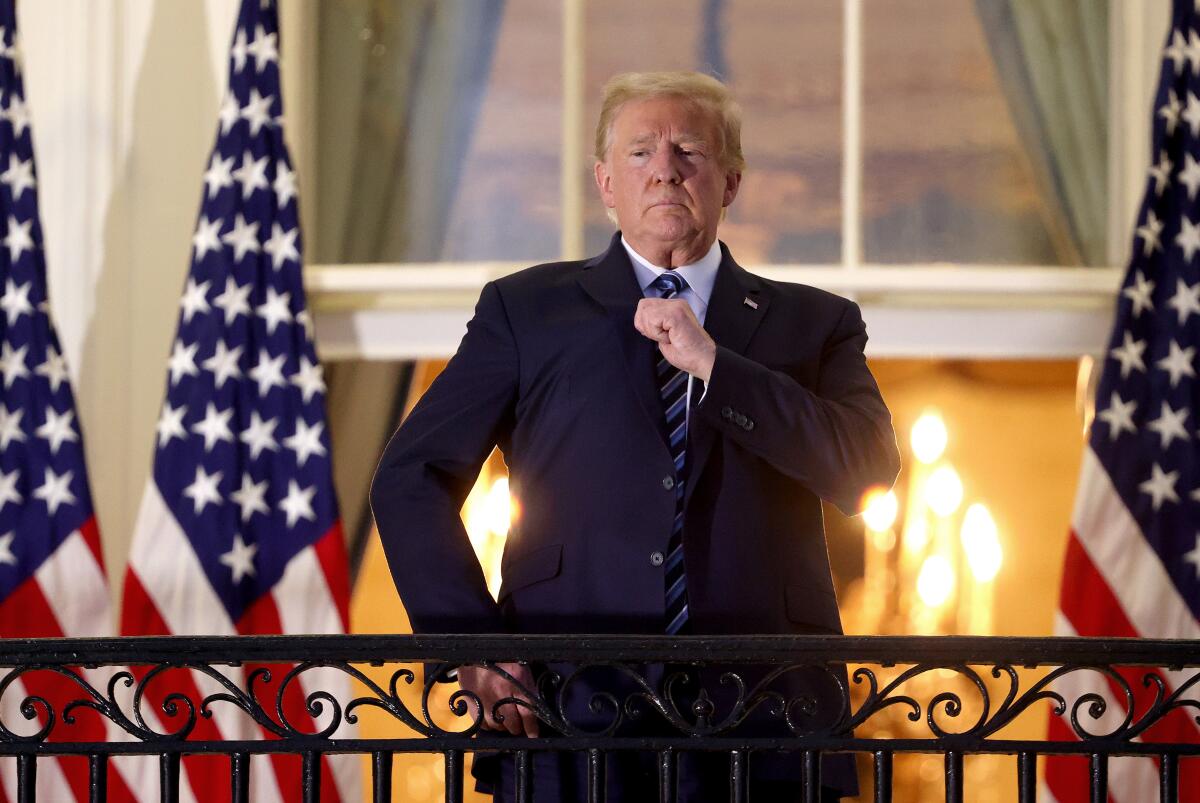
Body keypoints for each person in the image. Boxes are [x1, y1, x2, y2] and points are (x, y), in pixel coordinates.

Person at [371, 70, 901, 802]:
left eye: (690, 150)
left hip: (768, 716)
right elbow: (409, 477)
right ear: (605, 182)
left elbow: (866, 467)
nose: (666, 170)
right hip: (567, 710)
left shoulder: (814, 324)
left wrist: (716, 364)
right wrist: (474, 646)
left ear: (731, 181)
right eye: (641, 152)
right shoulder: (525, 311)